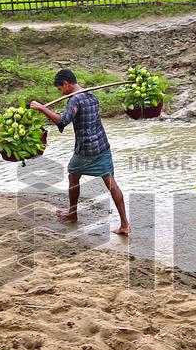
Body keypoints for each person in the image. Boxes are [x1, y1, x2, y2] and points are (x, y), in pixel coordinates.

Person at [29, 69, 131, 235]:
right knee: (111, 182)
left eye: (60, 89)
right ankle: (125, 225)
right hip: (103, 145)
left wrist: (42, 108)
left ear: (66, 84)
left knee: (73, 175)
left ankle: (72, 214)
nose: (61, 92)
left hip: (86, 149)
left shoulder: (75, 99)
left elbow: (63, 121)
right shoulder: (90, 95)